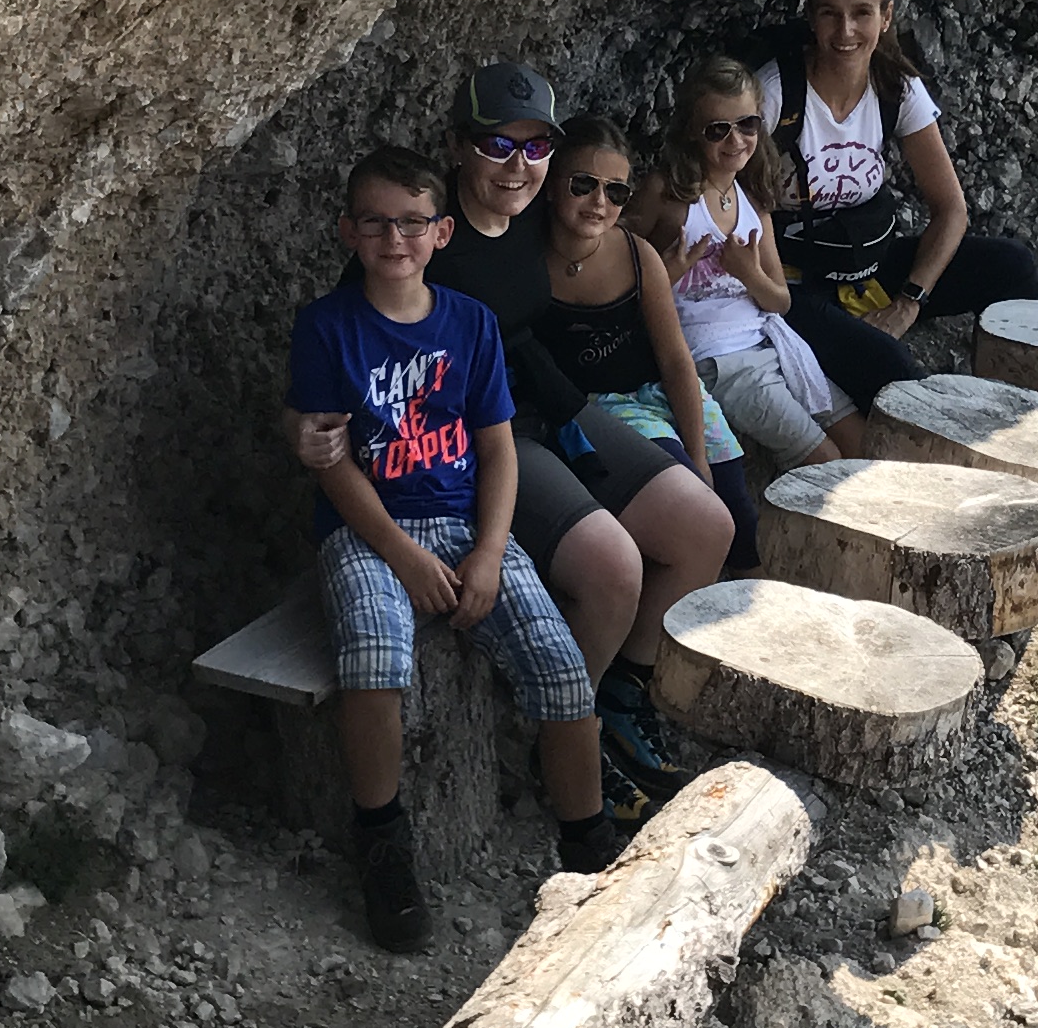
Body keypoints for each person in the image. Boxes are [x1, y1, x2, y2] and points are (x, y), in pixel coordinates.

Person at [291, 65, 719, 818]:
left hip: (549, 405)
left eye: (536, 146)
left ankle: (619, 703)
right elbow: (353, 360)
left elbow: (605, 221)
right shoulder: (420, 240)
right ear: (458, 146)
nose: (517, 164)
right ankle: (566, 734)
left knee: (704, 527)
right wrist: (305, 433)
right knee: (613, 567)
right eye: (496, 144)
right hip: (478, 440)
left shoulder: (527, 212)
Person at [284, 147, 615, 955]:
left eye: (412, 223)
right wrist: (402, 555)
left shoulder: (469, 323)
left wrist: (492, 551)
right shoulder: (326, 326)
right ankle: (382, 839)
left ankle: (588, 845)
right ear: (349, 232)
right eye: (375, 223)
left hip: (465, 521)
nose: (394, 239)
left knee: (561, 666)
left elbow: (497, 447)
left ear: (441, 233)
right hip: (370, 529)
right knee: (374, 655)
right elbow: (332, 464)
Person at [756, 0, 1038, 405]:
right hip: (792, 283)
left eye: (862, 13)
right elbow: (731, 211)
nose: (846, 31)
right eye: (830, 14)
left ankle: (1015, 402)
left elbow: (951, 209)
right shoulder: (775, 95)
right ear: (811, 17)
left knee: (1012, 267)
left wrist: (910, 301)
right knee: (891, 369)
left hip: (866, 266)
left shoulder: (895, 88)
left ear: (886, 16)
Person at [524, 114, 764, 576]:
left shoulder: (636, 254)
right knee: (687, 509)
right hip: (600, 407)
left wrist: (700, 454)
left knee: (739, 513)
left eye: (616, 192)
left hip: (660, 391)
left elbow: (675, 360)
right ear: (551, 185)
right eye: (583, 185)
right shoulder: (527, 263)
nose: (599, 202)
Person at [642, 56, 851, 476]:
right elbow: (617, 277)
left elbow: (780, 301)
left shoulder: (752, 198)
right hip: (717, 358)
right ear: (691, 131)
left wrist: (748, 274)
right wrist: (668, 273)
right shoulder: (667, 194)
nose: (735, 140)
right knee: (829, 463)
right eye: (717, 129)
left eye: (747, 125)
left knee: (860, 438)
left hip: (771, 343)